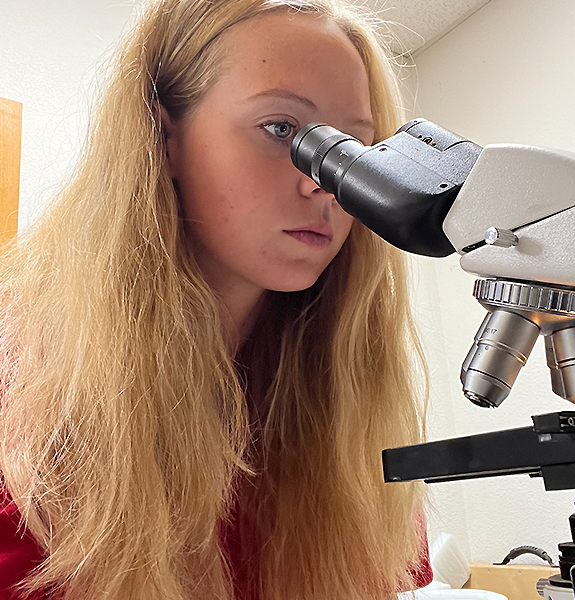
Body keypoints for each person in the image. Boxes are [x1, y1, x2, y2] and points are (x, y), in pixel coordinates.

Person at [0, 0, 433, 598]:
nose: (324, 184)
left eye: (352, 152)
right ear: (164, 135)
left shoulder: (350, 420)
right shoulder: (26, 404)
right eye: (281, 129)